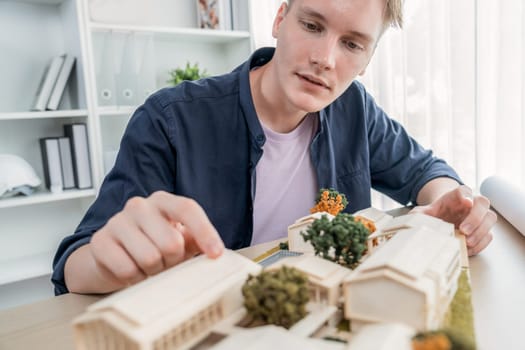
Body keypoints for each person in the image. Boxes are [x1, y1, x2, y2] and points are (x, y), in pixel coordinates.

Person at [52, 0, 496, 295]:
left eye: (352, 44)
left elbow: (425, 172)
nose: (325, 58)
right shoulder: (169, 119)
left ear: (368, 58)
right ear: (280, 18)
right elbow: (73, 267)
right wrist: (113, 263)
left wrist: (454, 206)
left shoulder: (354, 109)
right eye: (312, 25)